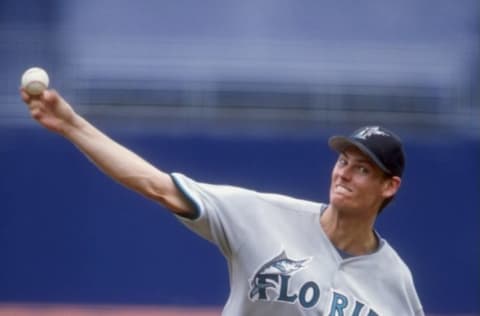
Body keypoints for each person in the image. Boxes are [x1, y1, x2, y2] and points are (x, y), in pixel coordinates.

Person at [21, 88, 424, 316]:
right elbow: (156, 185)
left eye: (363, 170)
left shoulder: (395, 281)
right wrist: (73, 126)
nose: (344, 174)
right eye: (343, 161)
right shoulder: (261, 215)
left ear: (389, 187)